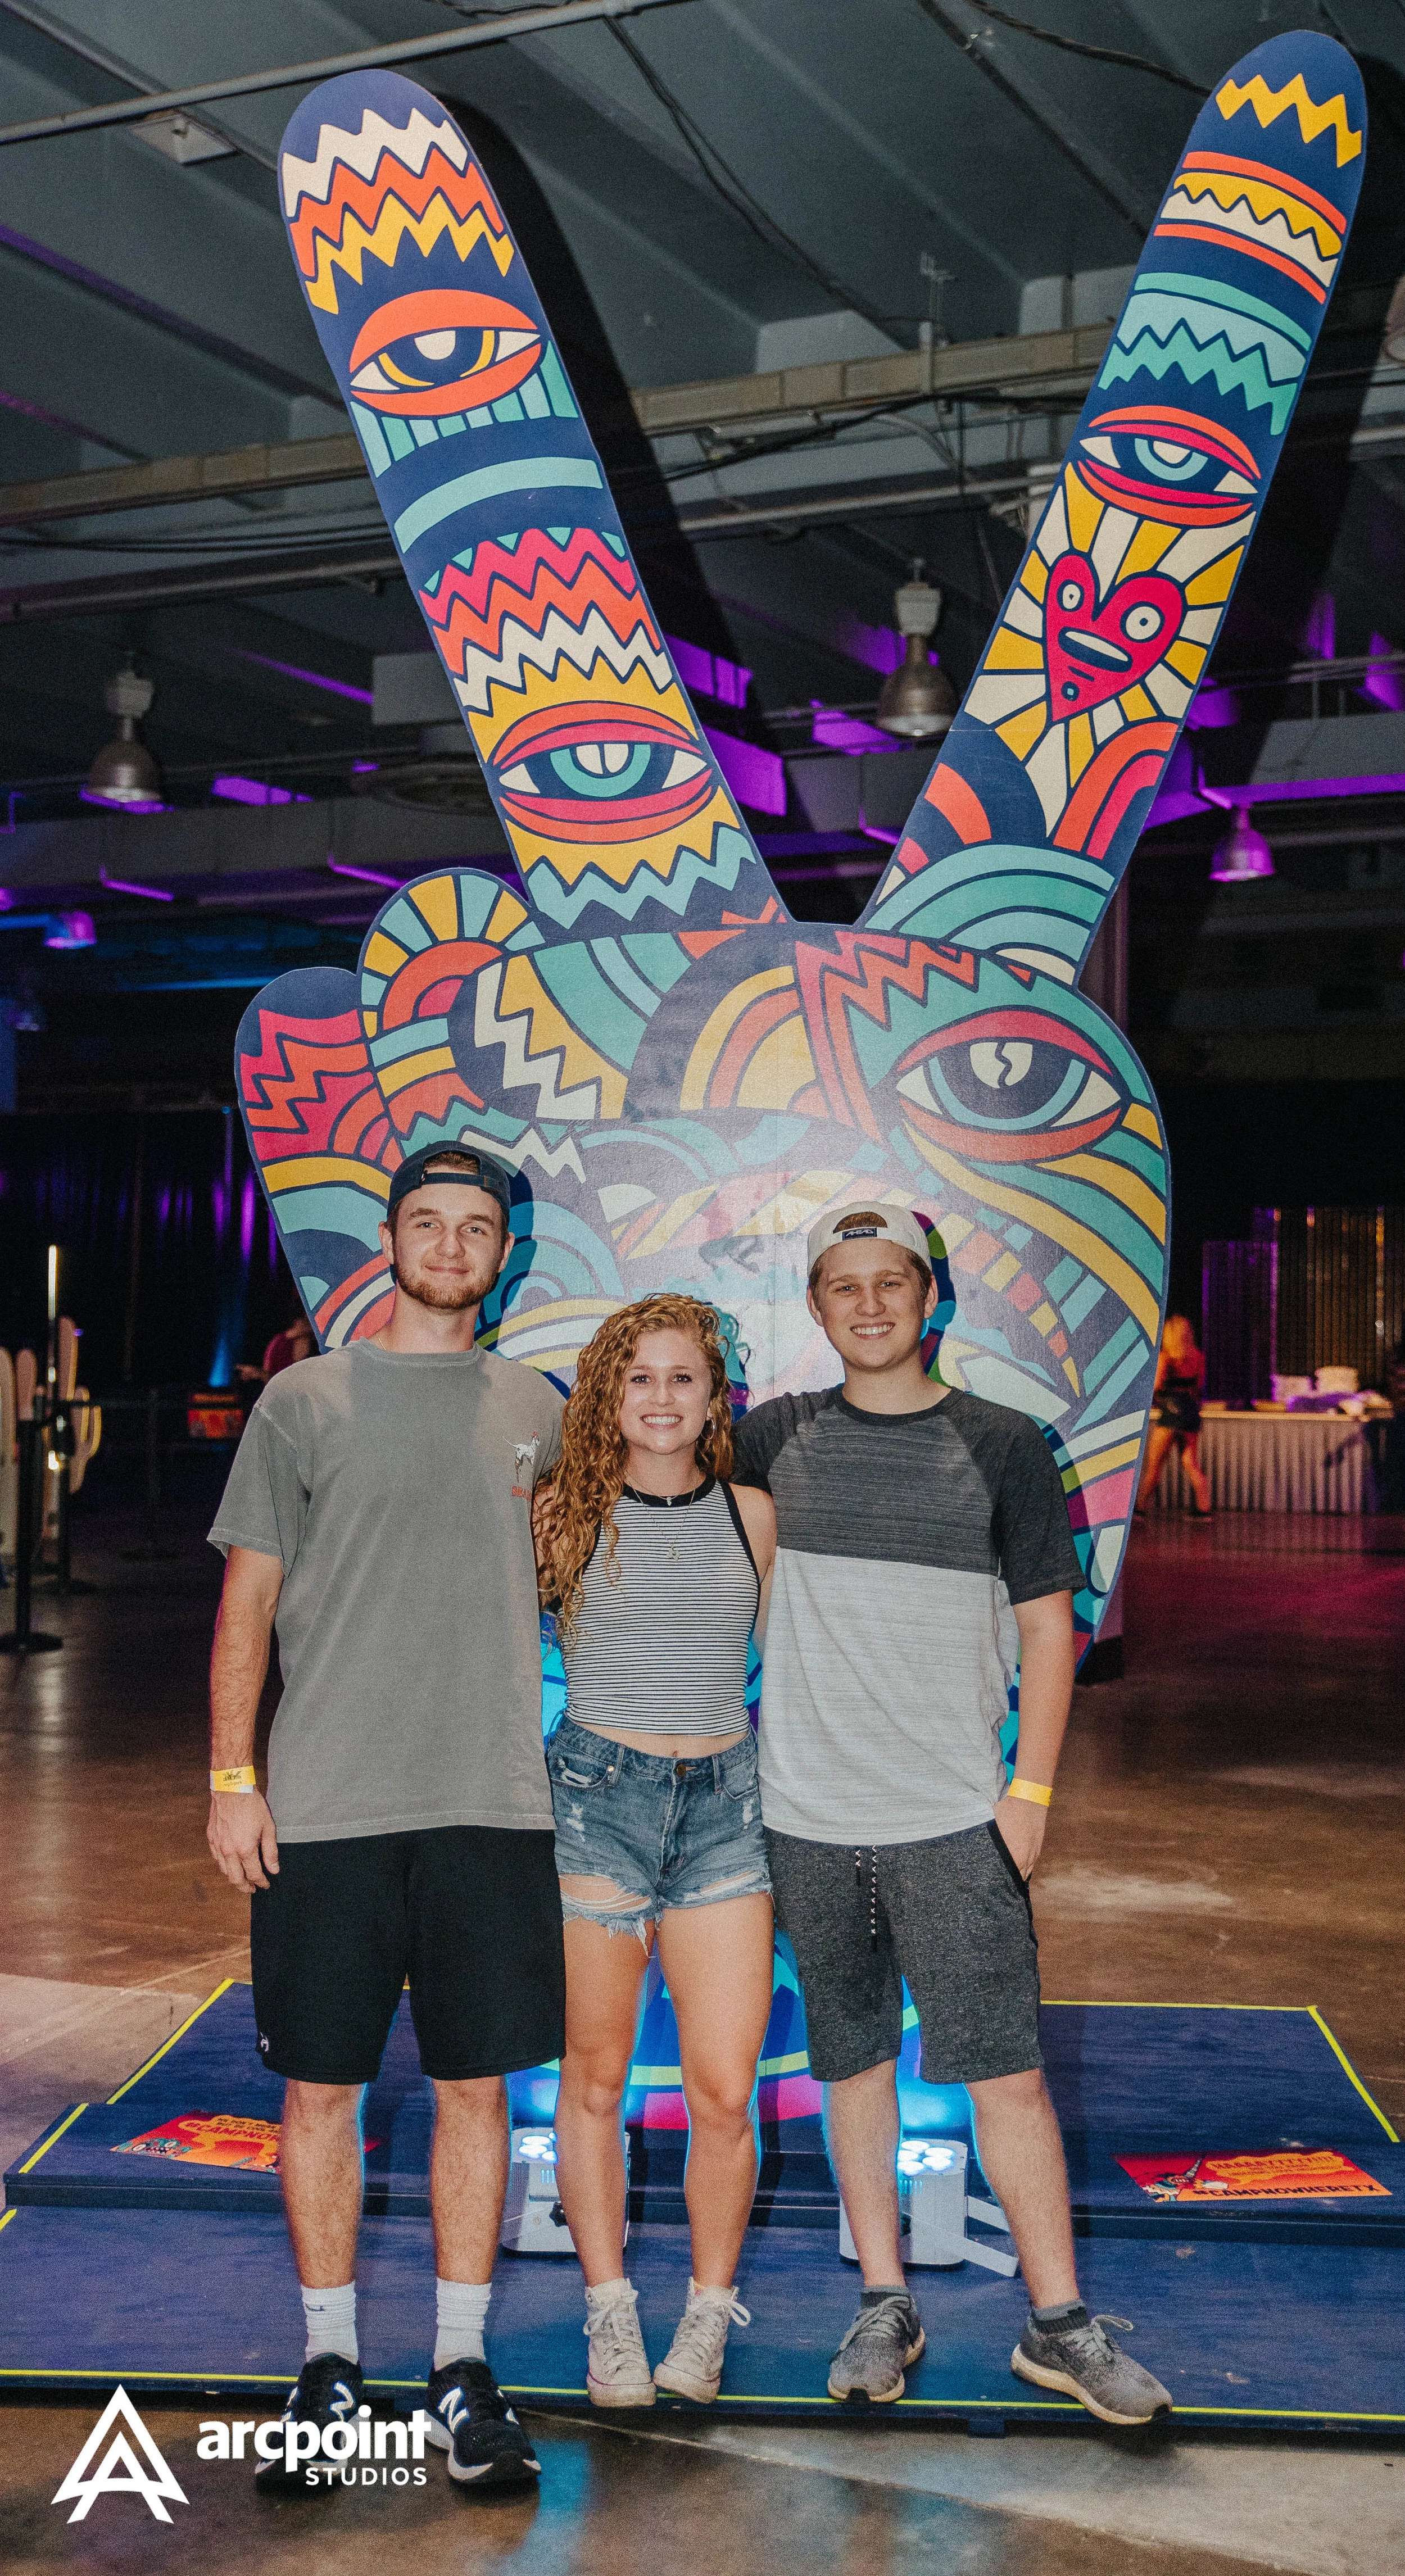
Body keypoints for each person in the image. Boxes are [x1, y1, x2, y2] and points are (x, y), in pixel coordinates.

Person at [730, 1202, 1172, 2427]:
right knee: (852, 2065)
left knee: (1008, 2080)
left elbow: (1046, 1627)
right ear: (815, 1309)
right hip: (804, 1816)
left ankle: (1059, 2324)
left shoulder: (1005, 1444)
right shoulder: (769, 1439)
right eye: (841, 1286)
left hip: (949, 1815)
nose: (867, 1305)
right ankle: (882, 2300)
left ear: (930, 1299)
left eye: (890, 1283)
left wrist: (1026, 1793)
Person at [206, 1144, 565, 2493]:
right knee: (322, 2087)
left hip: (491, 1800)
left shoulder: (539, 1405)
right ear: (391, 1238)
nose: (455, 1243)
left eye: (479, 1226)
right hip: (330, 1804)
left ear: (503, 1252)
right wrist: (233, 1775)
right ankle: (329, 2363)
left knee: (477, 2084)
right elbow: (246, 1602)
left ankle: (461, 2367)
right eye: (431, 1220)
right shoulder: (302, 1401)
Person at [534, 1294, 777, 2408]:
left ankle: (704, 2314)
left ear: (712, 1396)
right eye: (640, 1379)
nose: (663, 1399)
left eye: (684, 1378)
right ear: (607, 1397)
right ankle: (609, 2310)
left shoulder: (752, 1516)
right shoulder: (558, 1516)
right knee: (593, 2084)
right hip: (595, 1801)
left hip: (725, 1807)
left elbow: (790, 1659)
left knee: (722, 2094)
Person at [1135, 1313, 1212, 1517]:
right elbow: (1198, 1386)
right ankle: (1204, 1509)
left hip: (1170, 1413)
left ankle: (1140, 1508)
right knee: (1190, 1463)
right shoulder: (1198, 1357)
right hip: (1190, 1412)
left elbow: (1157, 1385)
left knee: (1154, 1466)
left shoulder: (1166, 1358)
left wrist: (1156, 1398)